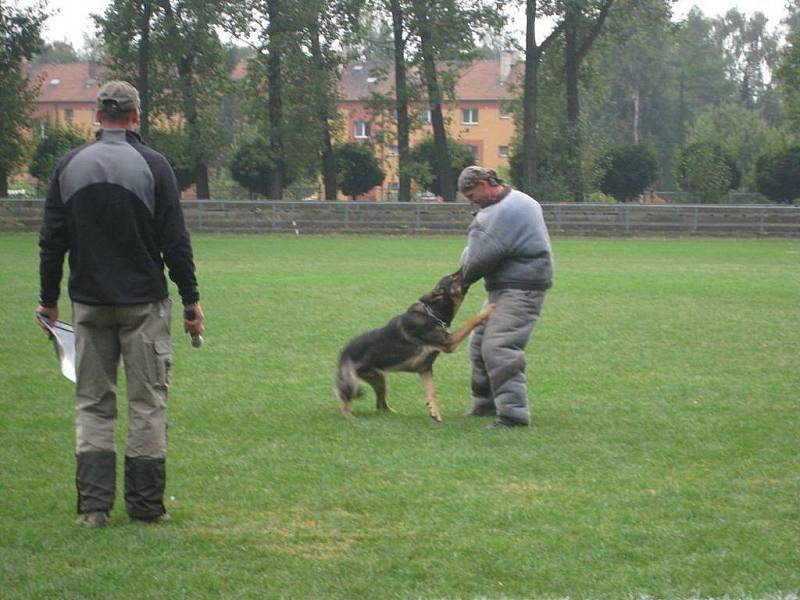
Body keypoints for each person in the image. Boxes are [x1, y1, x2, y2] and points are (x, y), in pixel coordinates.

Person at [36, 81, 204, 526]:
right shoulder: (154, 165)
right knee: (147, 403)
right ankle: (146, 508)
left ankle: (94, 509)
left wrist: (48, 301)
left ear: (96, 116)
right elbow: (175, 242)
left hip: (88, 304)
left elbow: (52, 240)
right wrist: (191, 301)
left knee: (92, 403)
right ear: (135, 116)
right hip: (143, 306)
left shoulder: (69, 165)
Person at [458, 166, 553, 428]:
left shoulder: (499, 213)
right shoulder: (521, 200)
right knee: (479, 343)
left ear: (487, 183)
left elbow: (477, 259)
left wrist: (459, 281)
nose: (471, 200)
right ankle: (485, 404)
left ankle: (513, 415)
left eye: (472, 194)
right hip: (507, 286)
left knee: (499, 346)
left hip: (521, 288)